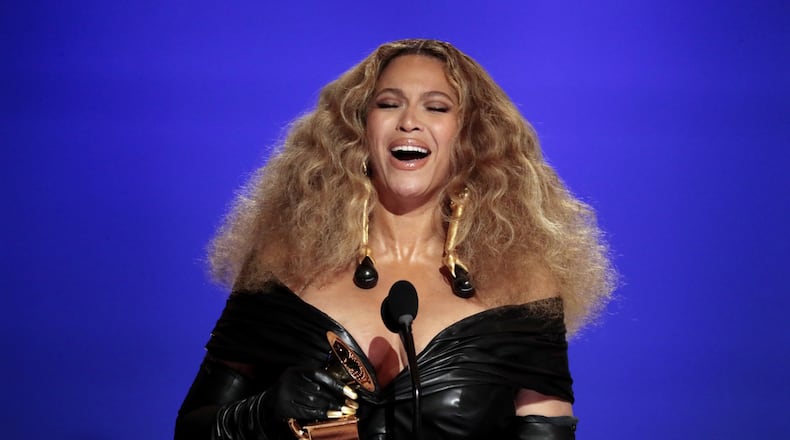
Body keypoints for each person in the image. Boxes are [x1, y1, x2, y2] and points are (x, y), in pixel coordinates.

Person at [175, 39, 615, 440]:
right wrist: (259, 415)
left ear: (469, 137)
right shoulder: (284, 262)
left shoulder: (524, 285)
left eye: (436, 108)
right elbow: (192, 429)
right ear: (359, 129)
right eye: (389, 104)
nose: (409, 122)